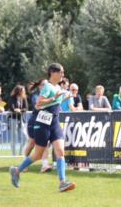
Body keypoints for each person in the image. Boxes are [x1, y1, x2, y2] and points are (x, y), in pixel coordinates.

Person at [9, 63, 76, 193]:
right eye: (61, 72)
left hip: (54, 122)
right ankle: (17, 170)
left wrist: (63, 98)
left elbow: (55, 103)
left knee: (60, 151)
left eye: (63, 72)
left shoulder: (57, 87)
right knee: (38, 154)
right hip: (43, 122)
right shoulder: (48, 86)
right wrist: (54, 97)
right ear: (52, 72)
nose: (63, 74)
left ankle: (62, 182)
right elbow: (39, 103)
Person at [8, 85, 29, 152]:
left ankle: (20, 152)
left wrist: (20, 110)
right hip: (13, 119)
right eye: (22, 91)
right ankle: (13, 154)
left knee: (25, 137)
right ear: (18, 91)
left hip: (21, 119)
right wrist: (15, 110)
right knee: (14, 137)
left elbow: (26, 108)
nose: (24, 92)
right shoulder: (12, 97)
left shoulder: (23, 98)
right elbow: (11, 107)